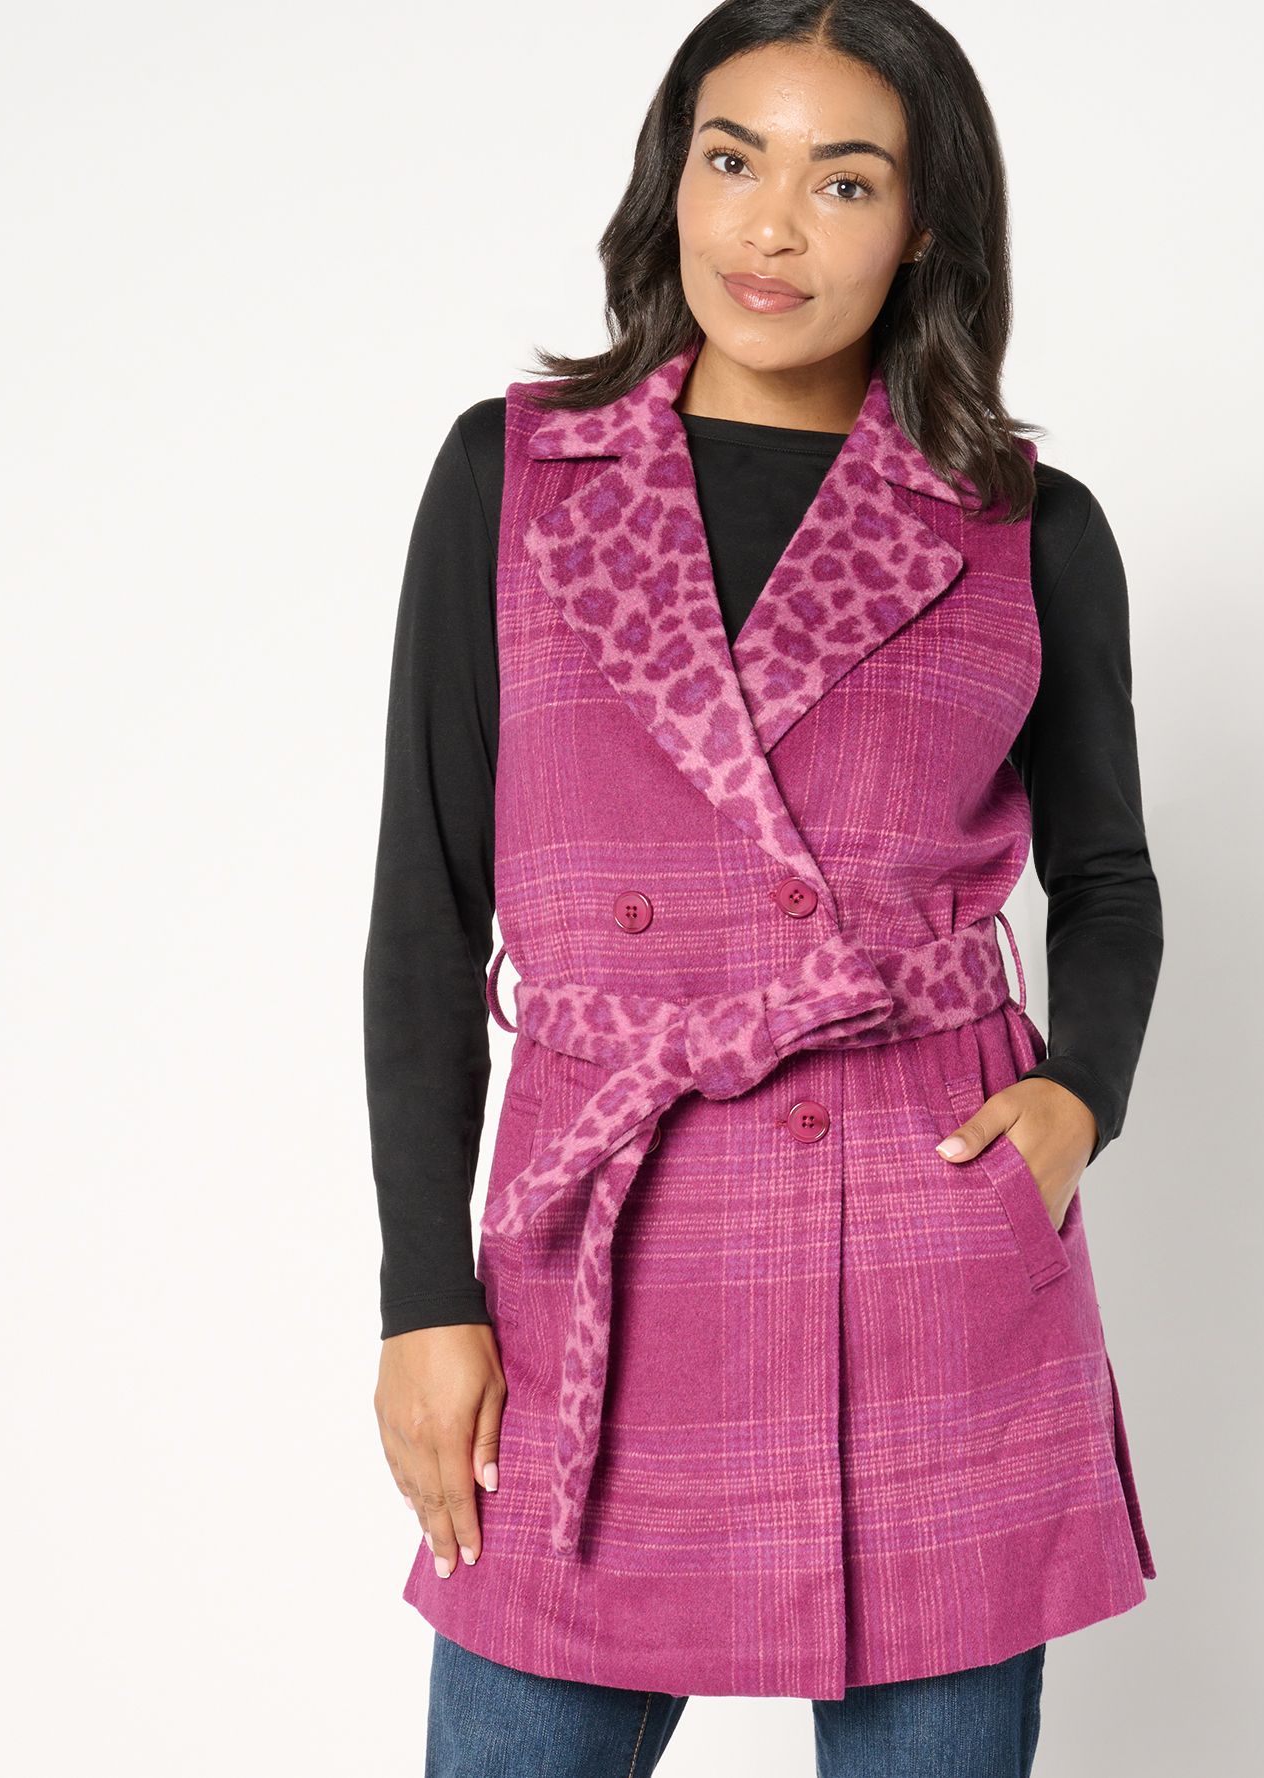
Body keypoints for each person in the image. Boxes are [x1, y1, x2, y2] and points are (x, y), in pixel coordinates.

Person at [365, 3, 1164, 1771]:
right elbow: (426, 913)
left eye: (845, 180)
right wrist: (425, 1293)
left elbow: (1109, 878)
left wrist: (1076, 1099)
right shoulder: (513, 478)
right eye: (734, 160)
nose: (772, 227)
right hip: (600, 1243)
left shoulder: (1023, 525)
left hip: (923, 1246)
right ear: (674, 178)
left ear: (926, 226)